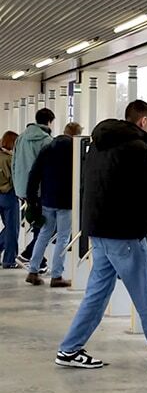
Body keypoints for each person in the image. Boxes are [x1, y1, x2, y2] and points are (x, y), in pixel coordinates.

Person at [55, 100, 147, 372]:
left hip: (99, 231)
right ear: (143, 121)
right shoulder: (137, 148)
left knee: (96, 295)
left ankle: (69, 349)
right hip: (125, 233)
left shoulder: (98, 144)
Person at [25, 122, 83, 287]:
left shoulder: (48, 148)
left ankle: (33, 271)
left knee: (44, 234)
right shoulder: (75, 150)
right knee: (63, 237)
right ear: (76, 135)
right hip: (66, 200)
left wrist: (31, 199)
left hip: (47, 199)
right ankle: (57, 276)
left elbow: (34, 174)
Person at [13, 107, 55, 271]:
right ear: (49, 122)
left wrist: (18, 186)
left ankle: (40, 261)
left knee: (38, 221)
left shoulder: (21, 138)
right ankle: (28, 254)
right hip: (40, 188)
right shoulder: (47, 140)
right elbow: (48, 168)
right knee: (44, 225)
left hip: (23, 187)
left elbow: (15, 162)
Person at [0, 131, 21, 269]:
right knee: (12, 228)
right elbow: (15, 178)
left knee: (8, 228)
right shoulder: (10, 159)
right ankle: (9, 260)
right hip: (9, 195)